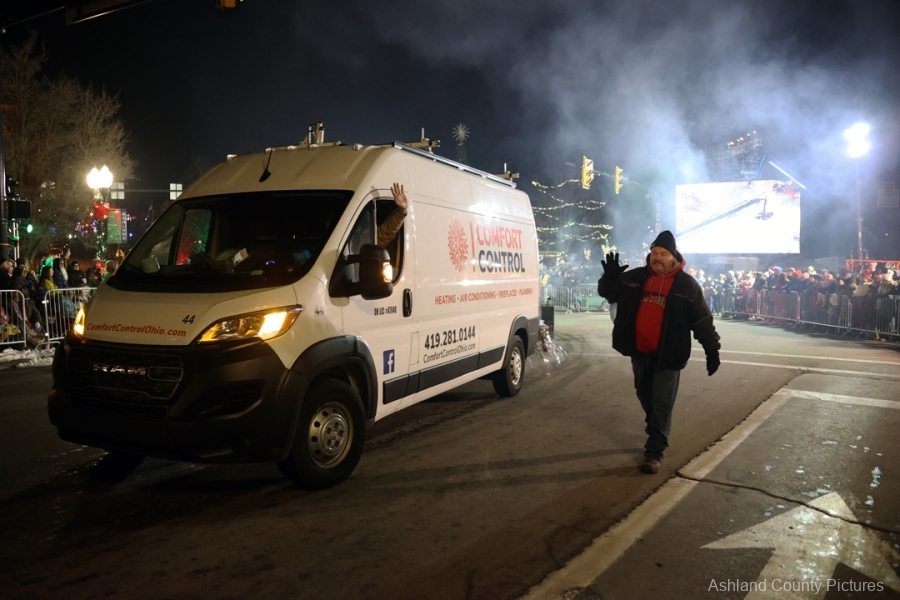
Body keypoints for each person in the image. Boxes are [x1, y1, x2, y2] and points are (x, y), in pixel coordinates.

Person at [597, 230, 721, 474]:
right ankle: (656, 426)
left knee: (662, 403)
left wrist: (712, 349)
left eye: (663, 253)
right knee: (645, 395)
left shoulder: (687, 285)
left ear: (673, 257)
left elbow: (702, 320)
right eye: (654, 252)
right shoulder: (633, 278)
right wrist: (609, 278)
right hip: (639, 352)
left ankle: (654, 451)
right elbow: (607, 293)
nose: (657, 257)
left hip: (669, 355)